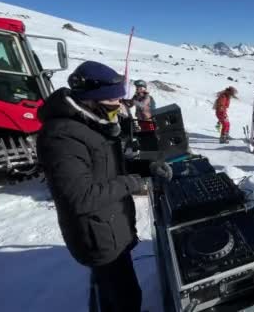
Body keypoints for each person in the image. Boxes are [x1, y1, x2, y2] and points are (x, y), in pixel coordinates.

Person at [36, 61, 173, 312]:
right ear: (91, 100)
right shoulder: (61, 137)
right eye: (113, 102)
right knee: (126, 298)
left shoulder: (90, 123)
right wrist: (134, 182)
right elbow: (80, 197)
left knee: (115, 292)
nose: (119, 106)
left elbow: (109, 166)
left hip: (111, 226)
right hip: (97, 235)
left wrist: (146, 168)